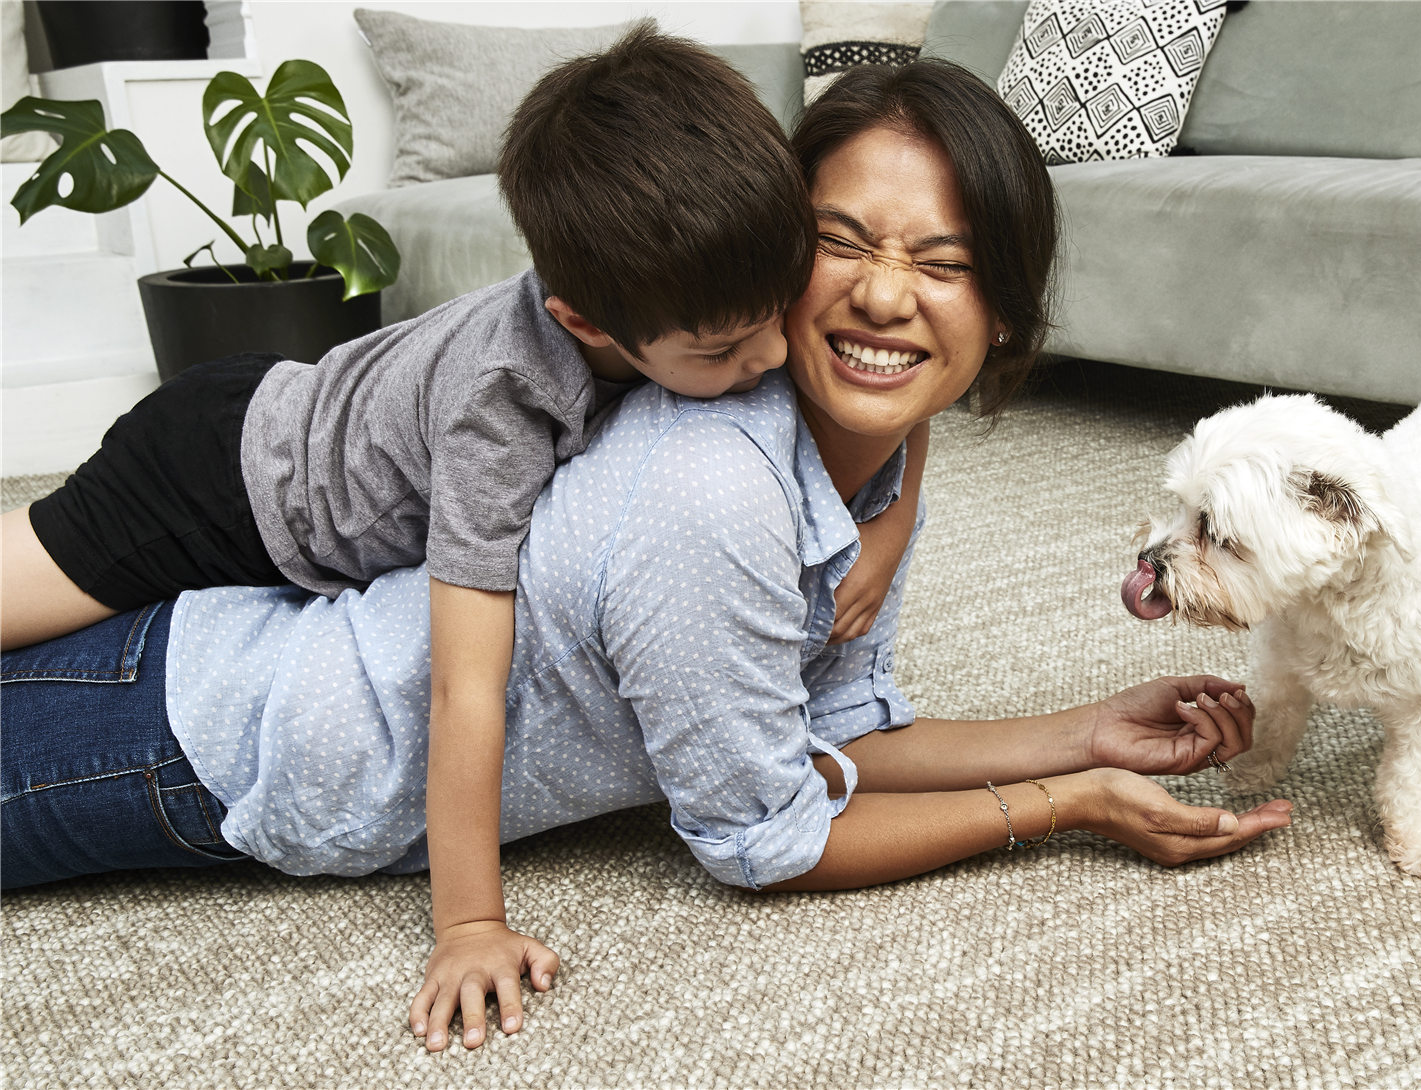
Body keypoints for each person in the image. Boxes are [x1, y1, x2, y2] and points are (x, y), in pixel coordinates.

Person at [0, 60, 1294, 1054]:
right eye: (843, 241)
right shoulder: (702, 480)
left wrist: (1081, 734)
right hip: (212, 726)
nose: (886, 295)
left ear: (1003, 310)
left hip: (250, 618)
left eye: (942, 264)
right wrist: (1061, 805)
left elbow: (824, 730)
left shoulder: (859, 448)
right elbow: (764, 835)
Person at [0, 21, 930, 1041]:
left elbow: (909, 391)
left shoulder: (705, 291)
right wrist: (470, 923)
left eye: (777, 313)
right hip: (218, 485)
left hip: (293, 405)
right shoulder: (504, 411)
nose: (773, 358)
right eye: (722, 350)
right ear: (583, 323)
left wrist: (885, 532)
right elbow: (463, 686)